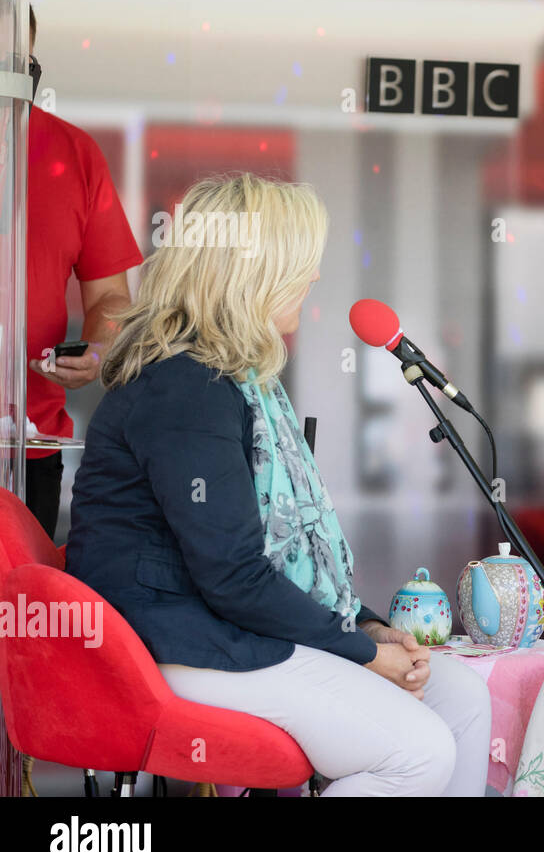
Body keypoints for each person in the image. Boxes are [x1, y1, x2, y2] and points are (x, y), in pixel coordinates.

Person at [66, 174, 491, 796]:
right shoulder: (186, 387)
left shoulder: (237, 382)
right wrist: (364, 653)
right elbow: (235, 576)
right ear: (253, 271)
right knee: (419, 753)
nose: (314, 278)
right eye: (302, 261)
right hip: (174, 646)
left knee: (462, 698)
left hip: (223, 626)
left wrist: (368, 629)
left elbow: (282, 563)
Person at [25, 4, 140, 540]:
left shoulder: (74, 154)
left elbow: (111, 299)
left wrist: (96, 350)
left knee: (19, 613)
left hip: (28, 442)